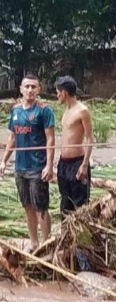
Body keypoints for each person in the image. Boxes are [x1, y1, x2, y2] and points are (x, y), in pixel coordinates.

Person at [0, 74, 55, 251]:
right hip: (20, 167)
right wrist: (4, 160)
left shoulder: (44, 111)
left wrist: (49, 165)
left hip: (38, 167)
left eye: (33, 87)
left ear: (39, 89)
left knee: (41, 207)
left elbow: (51, 139)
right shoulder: (16, 111)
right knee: (27, 206)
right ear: (21, 89)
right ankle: (34, 242)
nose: (30, 90)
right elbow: (12, 137)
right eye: (27, 87)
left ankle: (46, 243)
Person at [55, 76, 94, 216]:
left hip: (77, 162)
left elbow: (90, 138)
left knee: (80, 204)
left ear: (64, 92)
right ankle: (65, 235)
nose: (57, 95)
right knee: (65, 203)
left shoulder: (82, 111)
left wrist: (84, 164)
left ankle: (80, 236)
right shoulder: (66, 111)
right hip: (63, 163)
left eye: (58, 92)